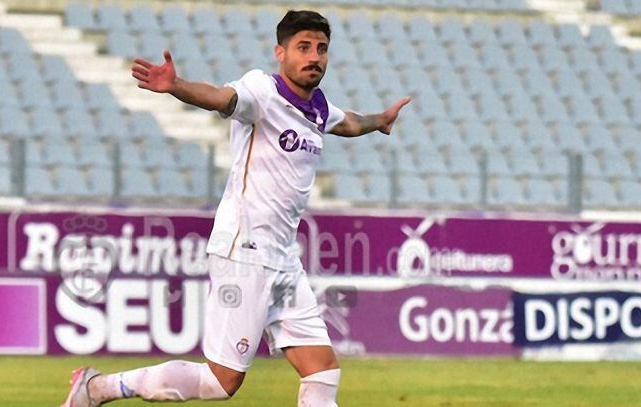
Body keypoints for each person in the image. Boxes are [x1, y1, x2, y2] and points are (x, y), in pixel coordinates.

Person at [62, 9, 409, 407]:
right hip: (245, 251)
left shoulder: (317, 109)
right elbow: (221, 98)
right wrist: (177, 87)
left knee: (322, 369)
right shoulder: (261, 91)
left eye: (321, 48)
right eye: (303, 47)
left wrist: (380, 120)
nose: (314, 56)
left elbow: (348, 122)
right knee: (219, 382)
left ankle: (94, 388)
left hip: (282, 259)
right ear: (280, 52)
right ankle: (96, 388)